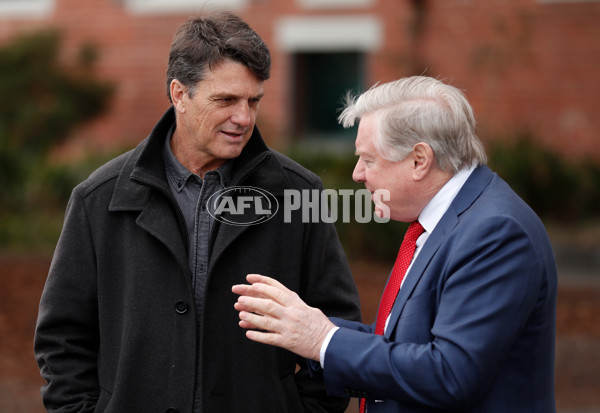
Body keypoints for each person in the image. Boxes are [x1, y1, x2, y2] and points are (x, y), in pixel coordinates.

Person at [34, 12, 361, 413]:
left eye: (253, 101)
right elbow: (62, 339)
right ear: (179, 95)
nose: (243, 118)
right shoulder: (98, 200)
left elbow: (337, 327)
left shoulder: (300, 193)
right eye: (226, 100)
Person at [233, 76, 558, 413]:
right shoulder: (445, 222)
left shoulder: (495, 233)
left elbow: (450, 374)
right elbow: (405, 341)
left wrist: (324, 340)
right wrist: (305, 326)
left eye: (369, 159)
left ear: (420, 160)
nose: (358, 173)